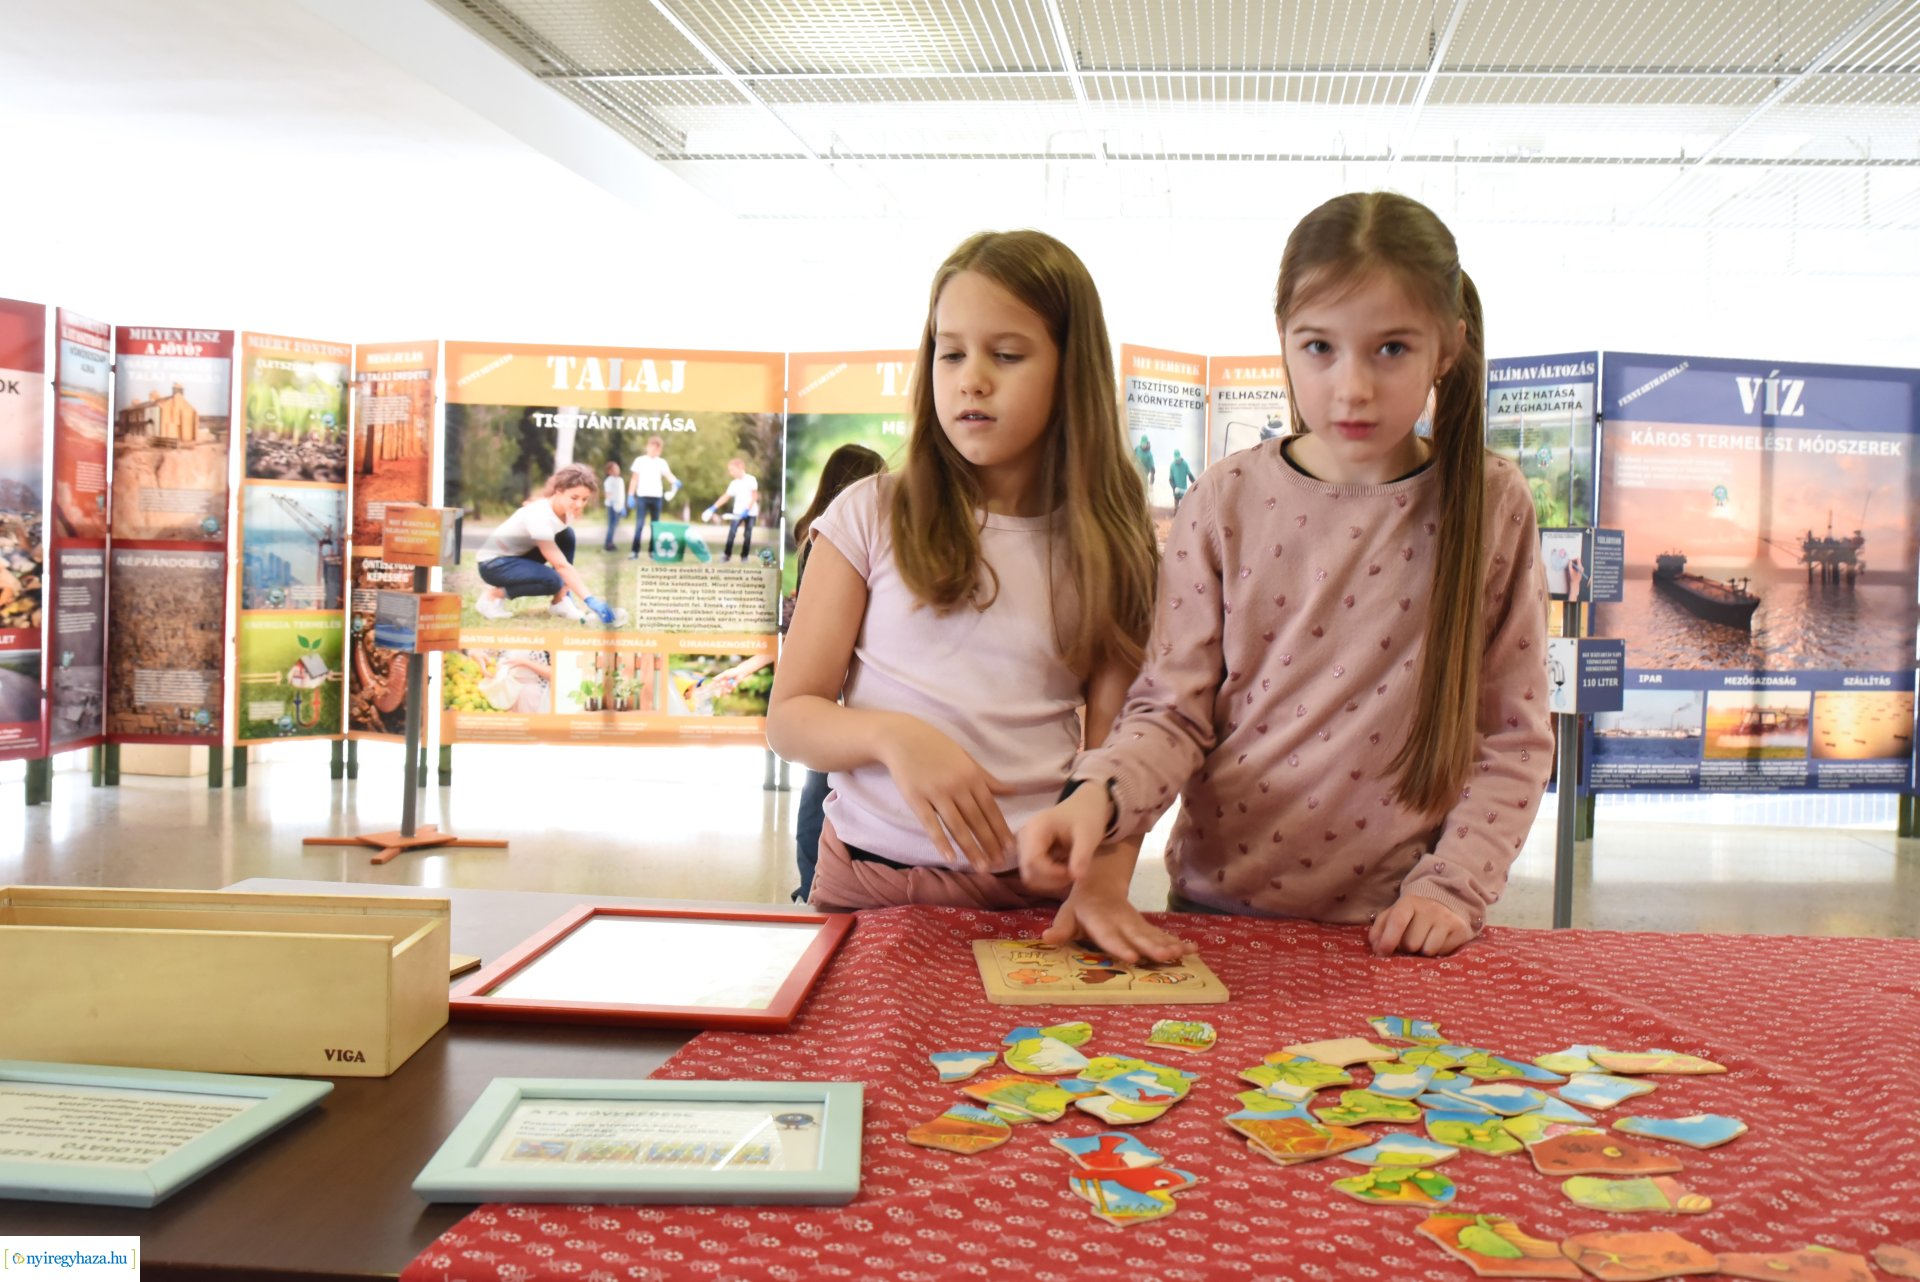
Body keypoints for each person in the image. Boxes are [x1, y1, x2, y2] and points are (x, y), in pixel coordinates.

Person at [1017, 191, 1552, 962]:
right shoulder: (1226, 500)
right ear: (1283, 340)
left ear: (1448, 346)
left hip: (1398, 933)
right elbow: (1172, 713)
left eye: (1392, 348)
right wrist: (1100, 796)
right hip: (1215, 919)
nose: (1353, 386)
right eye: (1319, 347)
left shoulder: (1491, 502)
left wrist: (1454, 886)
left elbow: (1514, 734)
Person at [767, 229, 1158, 912]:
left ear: (1072, 372)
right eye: (950, 354)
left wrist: (1100, 884)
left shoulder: (1108, 540)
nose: (972, 378)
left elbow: (1113, 749)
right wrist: (893, 737)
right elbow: (790, 719)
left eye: (1006, 355)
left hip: (1031, 892)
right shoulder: (868, 513)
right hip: (866, 882)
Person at [782, 444, 888, 901]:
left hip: (829, 679)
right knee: (821, 786)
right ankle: (812, 883)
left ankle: (810, 883)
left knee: (820, 783)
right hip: (835, 681)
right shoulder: (838, 534)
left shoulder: (811, 532)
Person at [474, 463, 627, 625]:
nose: (579, 505)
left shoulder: (562, 508)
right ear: (559, 490)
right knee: (553, 580)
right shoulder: (540, 516)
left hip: (517, 557)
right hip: (493, 564)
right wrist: (590, 600)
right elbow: (561, 566)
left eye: (585, 499)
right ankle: (492, 597)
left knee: (566, 535)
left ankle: (561, 601)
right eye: (574, 498)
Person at [627, 435, 682, 560]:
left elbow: (668, 475)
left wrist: (675, 481)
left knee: (655, 525)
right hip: (642, 497)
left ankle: (652, 551)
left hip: (656, 497)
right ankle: (634, 552)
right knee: (639, 524)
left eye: (657, 449)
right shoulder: (640, 461)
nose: (655, 451)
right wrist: (630, 495)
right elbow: (634, 479)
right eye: (653, 448)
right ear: (648, 447)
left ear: (660, 450)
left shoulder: (661, 462)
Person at [703, 458, 760, 562]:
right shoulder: (734, 483)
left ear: (740, 468)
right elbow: (726, 496)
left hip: (751, 513)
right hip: (737, 513)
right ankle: (727, 555)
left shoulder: (751, 480)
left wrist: (747, 510)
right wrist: (713, 507)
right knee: (732, 533)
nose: (731, 473)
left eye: (732, 470)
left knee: (747, 535)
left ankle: (744, 556)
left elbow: (754, 496)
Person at [600, 460, 625, 551]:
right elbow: (608, 494)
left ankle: (610, 542)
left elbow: (621, 495)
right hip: (612, 506)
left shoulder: (620, 480)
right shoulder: (608, 481)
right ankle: (608, 544)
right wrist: (613, 504)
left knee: (615, 526)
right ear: (609, 471)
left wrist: (622, 506)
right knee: (611, 525)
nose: (617, 470)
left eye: (618, 468)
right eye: (614, 469)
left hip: (619, 506)